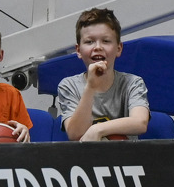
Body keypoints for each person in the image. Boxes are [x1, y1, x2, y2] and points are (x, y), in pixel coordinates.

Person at [56, 8, 150, 141]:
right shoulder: (68, 85)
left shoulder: (133, 83)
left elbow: (140, 123)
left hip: (125, 154)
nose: (98, 47)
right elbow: (75, 134)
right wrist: (91, 87)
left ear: (118, 49)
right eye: (89, 42)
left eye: (106, 41)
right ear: (78, 50)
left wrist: (97, 129)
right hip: (86, 155)